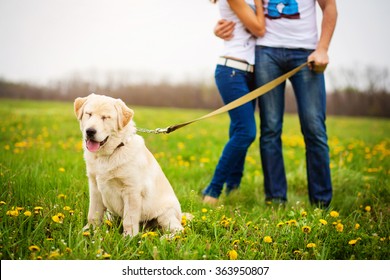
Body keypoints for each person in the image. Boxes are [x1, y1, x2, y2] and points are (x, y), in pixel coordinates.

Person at [215, 0, 338, 207]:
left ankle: (321, 203)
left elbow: (330, 7)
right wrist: (221, 28)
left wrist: (323, 48)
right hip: (266, 52)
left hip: (306, 52)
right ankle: (276, 199)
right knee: (270, 129)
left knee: (314, 128)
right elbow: (244, 11)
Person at [202, 0, 265, 205]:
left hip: (252, 72)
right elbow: (259, 28)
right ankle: (213, 190)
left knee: (238, 129)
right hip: (233, 71)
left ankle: (233, 188)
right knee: (246, 132)